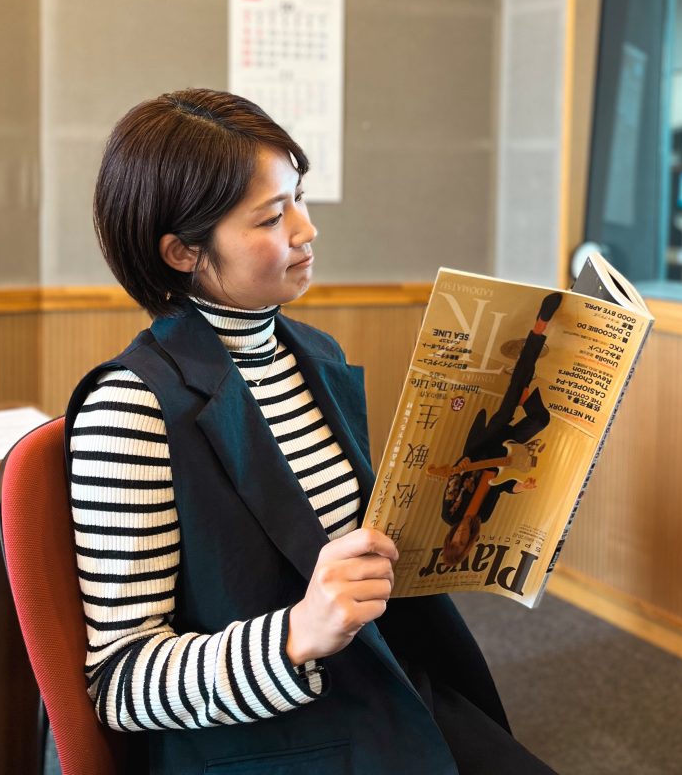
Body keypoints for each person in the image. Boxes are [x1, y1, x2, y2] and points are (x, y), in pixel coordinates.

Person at [66, 89, 558, 774]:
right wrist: (297, 634)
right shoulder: (130, 408)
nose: (306, 230)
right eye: (272, 216)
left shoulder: (313, 354)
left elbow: (343, 550)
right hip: (266, 738)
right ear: (182, 252)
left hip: (377, 682)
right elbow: (121, 683)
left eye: (299, 198)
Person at [436, 292, 563, 567]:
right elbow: (500, 487)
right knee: (540, 420)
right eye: (462, 543)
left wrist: (464, 464)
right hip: (502, 454)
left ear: (449, 538)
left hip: (483, 446)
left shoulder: (450, 514)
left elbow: (455, 477)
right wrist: (521, 487)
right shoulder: (483, 517)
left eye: (454, 541)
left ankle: (539, 327)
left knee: (510, 400)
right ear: (468, 543)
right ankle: (525, 396)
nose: (459, 537)